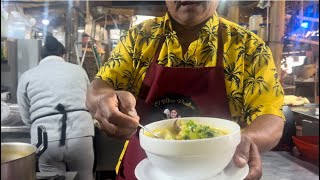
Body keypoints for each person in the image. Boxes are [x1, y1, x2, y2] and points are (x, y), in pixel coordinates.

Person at [86, 1, 285, 179]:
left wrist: (249, 140)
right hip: (142, 169)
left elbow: (270, 117)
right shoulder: (138, 38)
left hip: (216, 171)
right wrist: (103, 100)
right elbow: (101, 85)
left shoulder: (249, 47)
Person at [17, 35, 95, 180]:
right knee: (84, 177)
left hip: (44, 138)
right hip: (80, 133)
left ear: (41, 56)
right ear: (63, 54)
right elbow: (90, 102)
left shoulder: (27, 76)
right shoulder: (78, 70)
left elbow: (25, 115)